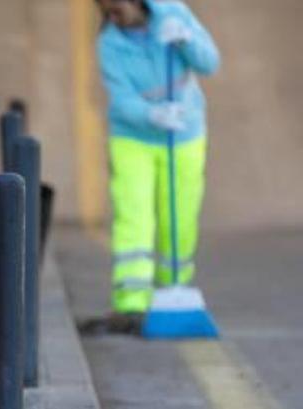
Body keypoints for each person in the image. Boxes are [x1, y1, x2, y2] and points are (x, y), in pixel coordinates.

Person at [82, 0, 220, 335]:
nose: (113, 16)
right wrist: (152, 115)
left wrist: (187, 39)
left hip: (183, 135)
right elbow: (122, 98)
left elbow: (209, 63)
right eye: (107, 10)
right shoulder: (110, 43)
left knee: (180, 217)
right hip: (133, 139)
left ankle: (173, 293)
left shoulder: (173, 13)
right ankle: (131, 303)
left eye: (117, 8)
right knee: (134, 217)